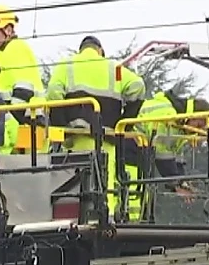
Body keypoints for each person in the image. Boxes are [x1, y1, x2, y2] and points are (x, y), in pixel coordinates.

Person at [46, 35, 146, 219]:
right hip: (107, 138)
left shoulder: (67, 65)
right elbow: (138, 86)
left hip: (77, 139)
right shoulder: (113, 68)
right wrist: (124, 123)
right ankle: (107, 219)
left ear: (81, 50)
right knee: (106, 184)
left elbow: (53, 93)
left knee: (75, 188)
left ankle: (78, 219)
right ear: (100, 51)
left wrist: (62, 127)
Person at [127, 90, 209, 214]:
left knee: (140, 193)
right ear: (192, 115)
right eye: (198, 125)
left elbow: (174, 157)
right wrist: (176, 185)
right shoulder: (170, 116)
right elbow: (162, 154)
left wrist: (182, 183)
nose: (197, 131)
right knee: (133, 193)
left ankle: (137, 222)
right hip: (130, 147)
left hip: (141, 152)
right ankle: (132, 226)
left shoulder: (180, 123)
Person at [0, 4, 46, 124]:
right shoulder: (1, 55)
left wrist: (9, 122)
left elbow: (23, 91)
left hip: (28, 121)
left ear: (8, 30)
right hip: (16, 122)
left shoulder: (16, 48)